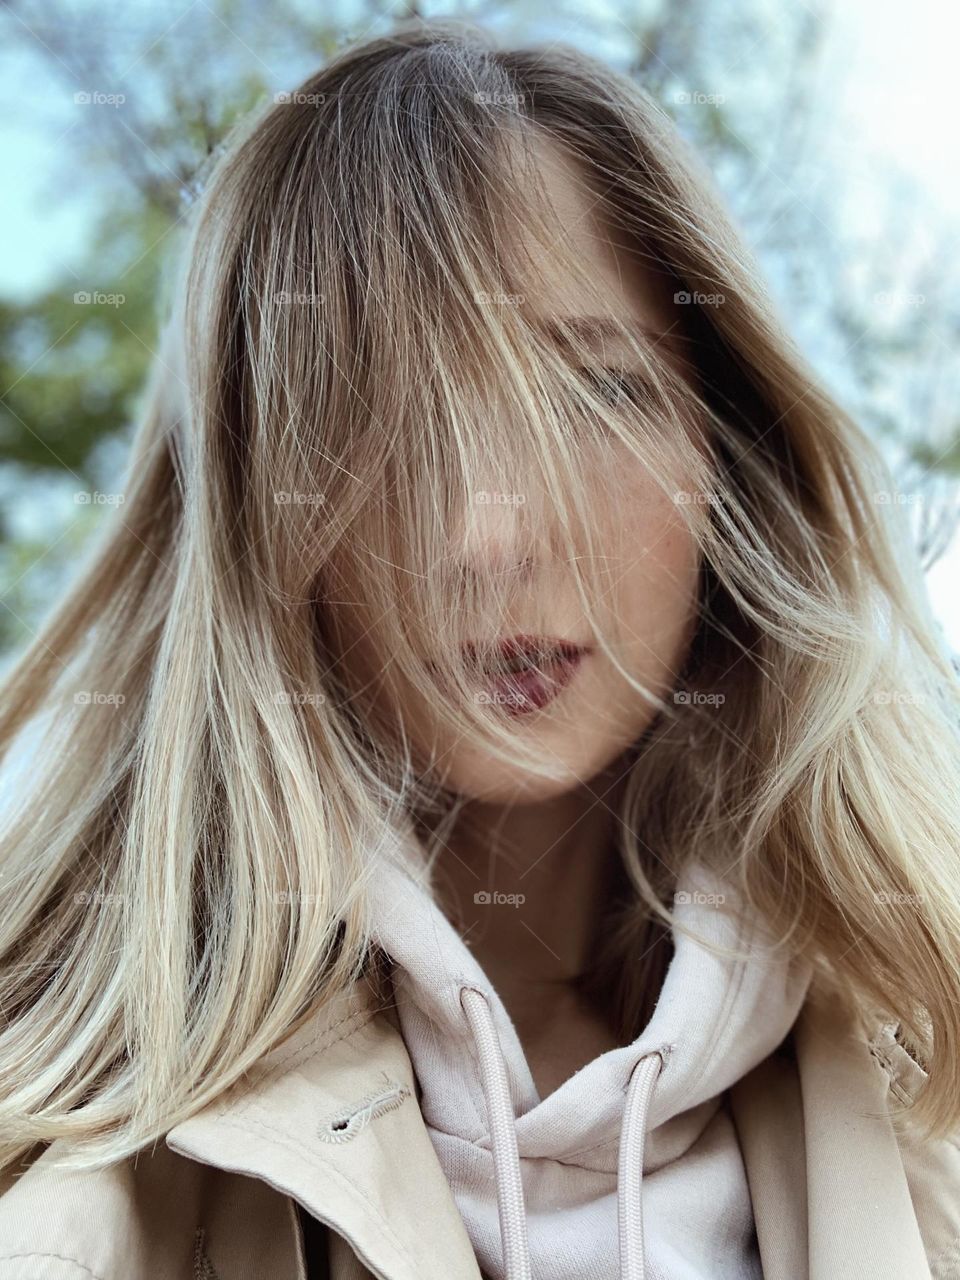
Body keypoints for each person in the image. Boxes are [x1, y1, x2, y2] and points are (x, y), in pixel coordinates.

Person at [1, 17, 959, 1280]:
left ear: (729, 452)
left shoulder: (925, 1075)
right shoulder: (64, 1181)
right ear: (256, 529)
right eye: (384, 425)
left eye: (588, 394)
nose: (483, 535)